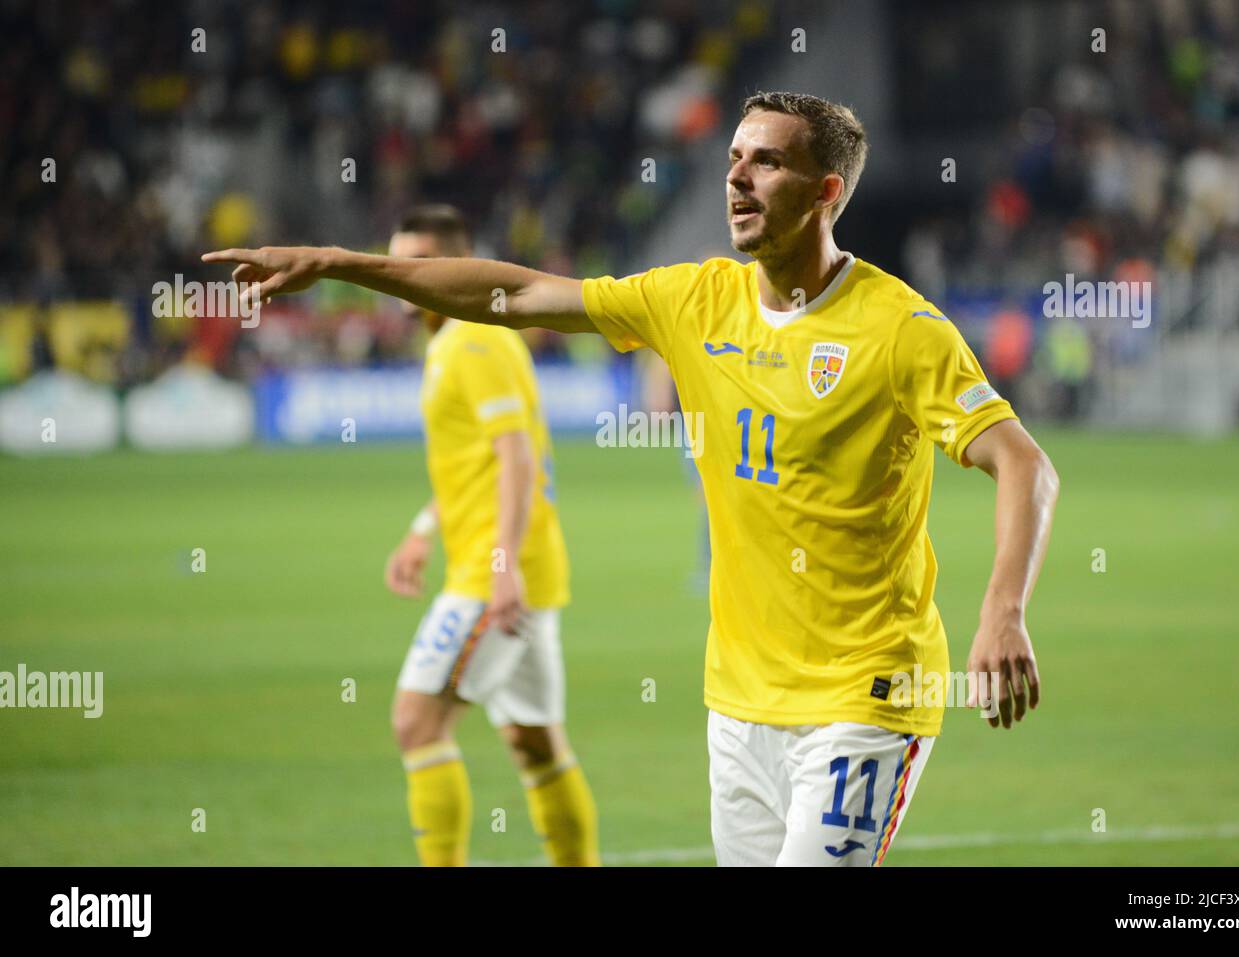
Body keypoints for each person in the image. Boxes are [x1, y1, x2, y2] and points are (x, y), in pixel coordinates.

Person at [204, 90, 1059, 868]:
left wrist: (1003, 609)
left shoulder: (900, 328)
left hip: (867, 695)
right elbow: (518, 293)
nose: (738, 177)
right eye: (733, 158)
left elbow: (1023, 461)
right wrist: (343, 264)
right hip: (738, 700)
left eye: (766, 161)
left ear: (827, 191)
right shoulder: (692, 301)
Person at [379, 204, 598, 866]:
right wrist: (424, 529)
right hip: (514, 566)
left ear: (454, 266)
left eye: (416, 261)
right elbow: (477, 464)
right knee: (535, 742)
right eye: (394, 260)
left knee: (417, 721)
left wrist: (502, 567)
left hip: (494, 573)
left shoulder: (475, 338)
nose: (398, 275)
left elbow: (516, 457)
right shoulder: (455, 339)